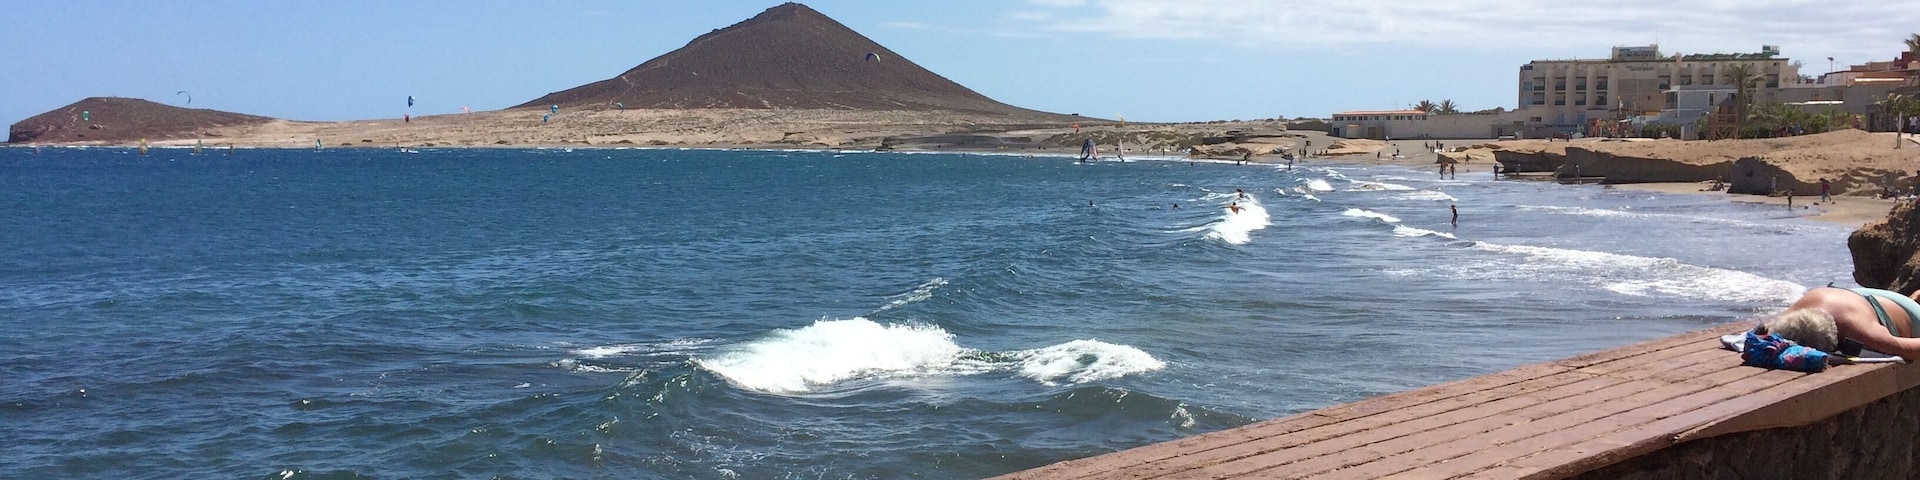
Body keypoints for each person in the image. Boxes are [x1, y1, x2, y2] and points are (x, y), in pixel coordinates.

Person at [1762, 286, 1920, 360]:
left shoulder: (1857, 330)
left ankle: (1913, 302)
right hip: (1853, 296)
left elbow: (1907, 349)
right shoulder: (1796, 312)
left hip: (1907, 313)